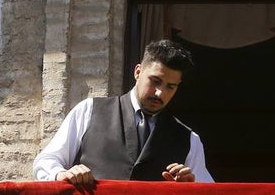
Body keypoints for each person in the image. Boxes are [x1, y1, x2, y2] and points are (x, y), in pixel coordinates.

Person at [33, 39, 213, 186]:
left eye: (170, 87)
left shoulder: (189, 139)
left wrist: (190, 189)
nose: (160, 93)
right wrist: (62, 174)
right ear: (138, 72)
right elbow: (46, 161)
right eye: (155, 81)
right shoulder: (89, 111)